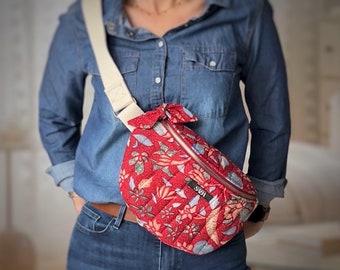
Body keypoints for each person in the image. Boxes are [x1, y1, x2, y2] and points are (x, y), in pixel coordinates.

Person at [39, 0, 290, 269]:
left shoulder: (246, 12)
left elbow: (272, 118)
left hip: (211, 243)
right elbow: (55, 115)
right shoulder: (87, 16)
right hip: (106, 237)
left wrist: (259, 203)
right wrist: (75, 189)